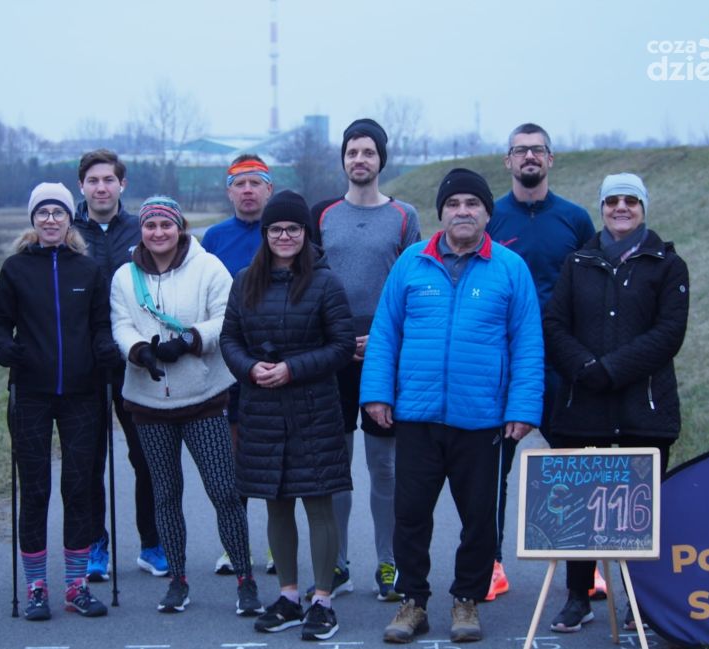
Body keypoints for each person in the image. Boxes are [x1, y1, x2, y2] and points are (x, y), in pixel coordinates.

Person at [361, 168, 543, 644]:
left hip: (482, 418)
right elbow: (385, 333)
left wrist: (522, 406)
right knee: (411, 514)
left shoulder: (509, 268)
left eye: (472, 204)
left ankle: (467, 600)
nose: (463, 211)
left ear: (487, 212)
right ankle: (413, 601)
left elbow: (527, 343)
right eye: (454, 204)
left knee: (480, 517)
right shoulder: (410, 263)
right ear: (440, 213)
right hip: (417, 416)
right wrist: (377, 394)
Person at [544, 173, 689, 633]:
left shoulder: (668, 264)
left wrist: (611, 369)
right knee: (581, 513)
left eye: (630, 200)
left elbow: (669, 333)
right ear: (602, 207)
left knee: (638, 516)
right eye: (612, 201)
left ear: (643, 206)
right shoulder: (577, 261)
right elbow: (554, 325)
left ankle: (641, 601)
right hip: (581, 408)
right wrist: (585, 367)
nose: (620, 208)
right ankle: (577, 597)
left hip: (643, 411)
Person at [109, 196, 263, 616]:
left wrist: (191, 340)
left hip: (203, 399)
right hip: (147, 402)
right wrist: (139, 351)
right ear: (142, 230)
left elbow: (224, 317)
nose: (158, 232)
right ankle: (177, 579)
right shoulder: (125, 276)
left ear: (180, 227)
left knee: (224, 491)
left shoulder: (208, 266)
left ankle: (245, 579)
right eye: (150, 225)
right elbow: (120, 323)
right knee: (165, 494)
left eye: (166, 225)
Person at [220, 190, 356, 641]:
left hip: (313, 409)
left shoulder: (325, 283)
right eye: (276, 229)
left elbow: (341, 346)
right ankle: (288, 596)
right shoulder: (245, 281)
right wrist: (249, 367)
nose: (284, 236)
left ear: (305, 233)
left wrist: (292, 368)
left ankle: (322, 600)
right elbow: (229, 340)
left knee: (318, 504)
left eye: (293, 229)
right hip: (262, 409)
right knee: (276, 504)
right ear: (266, 234)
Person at [0, 183, 116, 621]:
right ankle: (36, 587)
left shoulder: (88, 269)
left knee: (79, 488)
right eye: (42, 213)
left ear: (69, 218)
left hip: (83, 393)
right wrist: (6, 349)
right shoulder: (16, 269)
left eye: (58, 213)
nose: (50, 220)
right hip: (31, 394)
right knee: (36, 490)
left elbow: (101, 324)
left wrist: (104, 349)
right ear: (33, 220)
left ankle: (76, 586)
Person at [309, 118, 421, 602]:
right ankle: (336, 563)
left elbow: (414, 287)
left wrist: (380, 339)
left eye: (368, 153)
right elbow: (308, 286)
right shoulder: (322, 214)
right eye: (352, 152)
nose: (360, 160)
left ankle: (388, 562)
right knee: (335, 466)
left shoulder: (404, 216)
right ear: (344, 160)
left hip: (384, 356)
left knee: (385, 468)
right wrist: (337, 338)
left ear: (381, 160)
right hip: (332, 357)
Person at [484, 123, 596, 601]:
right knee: (491, 474)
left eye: (538, 150)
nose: (529, 157)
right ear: (507, 161)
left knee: (573, 469)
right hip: (501, 366)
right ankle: (490, 566)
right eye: (520, 150)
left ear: (551, 160)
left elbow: (595, 291)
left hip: (562, 365)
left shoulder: (576, 219)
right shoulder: (489, 218)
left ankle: (586, 571)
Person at [71, 149, 167, 580]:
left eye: (109, 180)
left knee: (146, 456)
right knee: (89, 459)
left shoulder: (142, 229)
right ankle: (96, 544)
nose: (101, 187)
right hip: (85, 364)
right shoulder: (67, 231)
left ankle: (151, 542)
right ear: (82, 186)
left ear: (122, 185)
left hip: (136, 361)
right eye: (93, 181)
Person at [201, 154, 275, 575]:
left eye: (255, 182)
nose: (248, 190)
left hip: (276, 359)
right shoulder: (213, 237)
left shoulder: (284, 231)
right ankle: (234, 545)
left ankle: (276, 546)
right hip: (228, 360)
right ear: (229, 191)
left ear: (269, 188)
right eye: (239, 183)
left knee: (273, 458)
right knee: (231, 459)